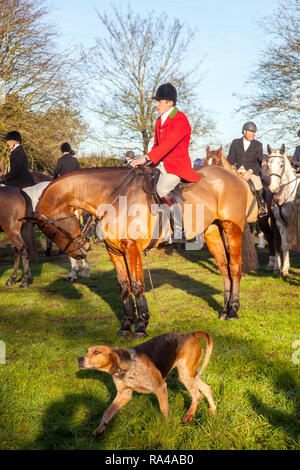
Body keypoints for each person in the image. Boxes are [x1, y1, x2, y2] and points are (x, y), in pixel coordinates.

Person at [129, 83, 201, 242]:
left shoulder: (180, 119)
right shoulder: (158, 121)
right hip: (159, 165)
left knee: (161, 188)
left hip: (176, 167)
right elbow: (156, 146)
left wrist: (145, 158)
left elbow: (168, 144)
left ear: (170, 103)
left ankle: (179, 229)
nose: (156, 104)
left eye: (159, 101)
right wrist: (145, 163)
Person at [227, 121, 267, 218]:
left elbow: (258, 162)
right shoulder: (235, 143)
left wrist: (249, 172)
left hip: (252, 172)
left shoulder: (258, 145)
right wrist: (231, 168)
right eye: (251, 131)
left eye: (254, 132)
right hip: (237, 171)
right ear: (244, 131)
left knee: (257, 185)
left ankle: (261, 206)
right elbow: (230, 159)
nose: (253, 134)